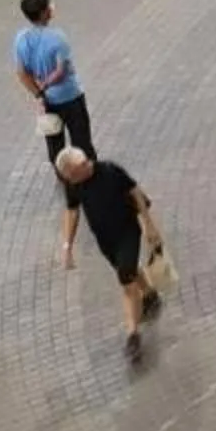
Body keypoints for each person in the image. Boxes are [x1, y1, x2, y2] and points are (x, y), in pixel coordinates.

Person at [57, 145, 164, 362]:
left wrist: (149, 226)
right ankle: (150, 294)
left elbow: (136, 192)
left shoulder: (110, 171)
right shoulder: (74, 184)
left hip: (127, 232)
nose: (72, 180)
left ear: (79, 167)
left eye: (73, 174)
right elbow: (72, 211)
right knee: (128, 272)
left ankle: (132, 334)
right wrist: (67, 246)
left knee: (126, 281)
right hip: (105, 240)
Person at [14, 0, 98, 255]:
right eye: (49, 5)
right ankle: (88, 180)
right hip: (70, 97)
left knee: (55, 144)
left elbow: (21, 72)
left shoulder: (21, 39)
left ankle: (65, 177)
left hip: (48, 102)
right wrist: (50, 83)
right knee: (82, 141)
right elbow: (62, 70)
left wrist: (39, 93)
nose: (53, 7)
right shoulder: (58, 38)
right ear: (43, 13)